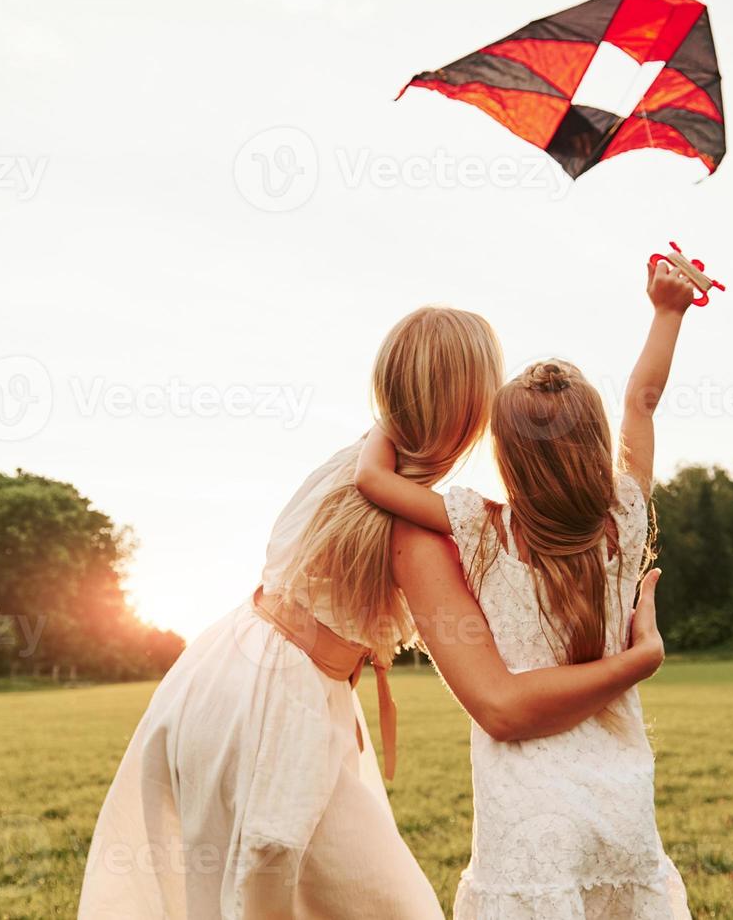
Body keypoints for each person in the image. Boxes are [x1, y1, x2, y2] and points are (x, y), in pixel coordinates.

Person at [77, 305, 668, 919]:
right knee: (320, 901)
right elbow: (499, 703)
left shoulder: (358, 462)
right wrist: (639, 658)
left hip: (223, 670)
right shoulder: (419, 530)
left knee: (268, 895)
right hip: (276, 704)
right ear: (470, 411)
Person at [353, 261, 698, 918]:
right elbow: (642, 401)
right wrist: (667, 312)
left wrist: (395, 415)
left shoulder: (482, 528)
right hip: (617, 794)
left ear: (505, 458)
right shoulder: (624, 517)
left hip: (525, 800)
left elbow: (375, 481)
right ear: (598, 446)